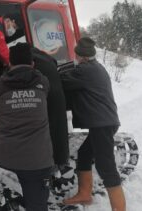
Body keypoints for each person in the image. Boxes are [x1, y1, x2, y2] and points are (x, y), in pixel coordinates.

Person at [0, 43, 54, 211]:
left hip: (5, 152)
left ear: (10, 63)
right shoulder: (43, 81)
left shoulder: (1, 84)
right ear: (32, 63)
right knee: (37, 205)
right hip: (38, 159)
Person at [61, 37, 126, 211]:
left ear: (79, 55)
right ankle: (84, 193)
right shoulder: (95, 67)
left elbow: (62, 81)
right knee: (84, 153)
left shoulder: (84, 71)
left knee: (106, 167)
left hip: (101, 124)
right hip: (101, 122)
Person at [32, 47, 69, 168]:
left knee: (48, 130)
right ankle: (61, 161)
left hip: (46, 95)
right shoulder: (45, 58)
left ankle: (50, 167)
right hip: (58, 95)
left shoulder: (32, 61)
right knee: (59, 128)